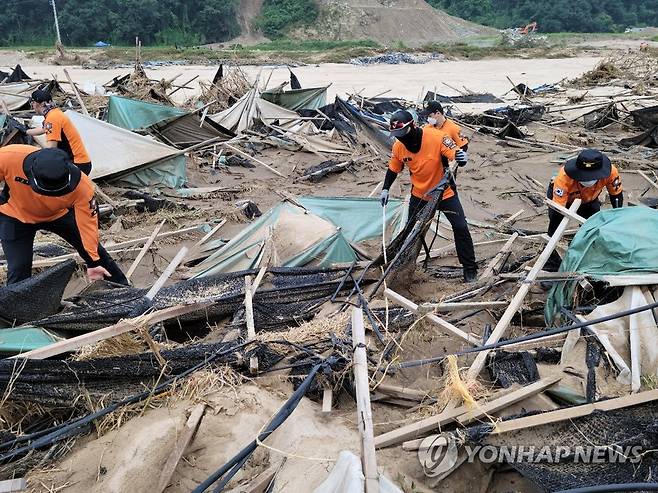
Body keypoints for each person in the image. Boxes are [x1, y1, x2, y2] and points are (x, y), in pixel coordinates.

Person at [0, 145, 127, 285]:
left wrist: (93, 262)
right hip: (15, 216)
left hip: (57, 215)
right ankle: (17, 305)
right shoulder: (8, 157)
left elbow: (88, 226)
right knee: (18, 268)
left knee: (97, 254)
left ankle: (125, 289)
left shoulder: (82, 187)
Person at [379, 110, 478, 282]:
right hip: (420, 196)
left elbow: (454, 153)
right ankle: (405, 267)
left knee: (461, 227)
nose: (401, 138)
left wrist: (462, 158)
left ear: (414, 126)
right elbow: (393, 169)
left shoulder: (437, 137)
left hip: (444, 193)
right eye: (397, 135)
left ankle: (469, 268)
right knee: (411, 232)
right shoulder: (398, 147)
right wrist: (385, 189)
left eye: (403, 133)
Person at [545, 148, 623, 272]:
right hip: (566, 199)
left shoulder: (611, 173)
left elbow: (616, 195)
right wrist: (556, 228)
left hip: (590, 199)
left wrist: (618, 217)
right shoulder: (564, 178)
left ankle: (591, 253)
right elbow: (558, 209)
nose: (588, 179)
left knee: (594, 225)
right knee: (555, 225)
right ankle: (551, 260)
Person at [26, 90, 93, 175]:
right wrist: (26, 131)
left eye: (33, 103)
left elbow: (52, 148)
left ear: (40, 104)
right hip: (81, 162)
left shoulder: (52, 118)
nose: (32, 106)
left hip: (76, 164)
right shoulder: (54, 113)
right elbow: (43, 130)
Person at [419, 100, 469, 168]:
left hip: (447, 165)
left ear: (438, 113)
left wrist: (457, 162)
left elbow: (463, 146)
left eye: (429, 115)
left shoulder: (453, 128)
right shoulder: (426, 128)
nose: (428, 118)